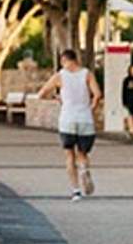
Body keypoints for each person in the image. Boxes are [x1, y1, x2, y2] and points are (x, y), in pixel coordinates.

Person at [37, 48, 102, 200]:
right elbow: (97, 95)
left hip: (67, 119)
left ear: (63, 61)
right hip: (85, 118)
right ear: (76, 59)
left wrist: (58, 98)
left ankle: (76, 191)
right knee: (83, 153)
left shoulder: (59, 76)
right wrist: (90, 108)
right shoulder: (87, 74)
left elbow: (41, 94)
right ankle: (84, 169)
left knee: (69, 154)